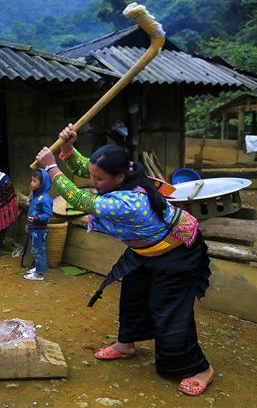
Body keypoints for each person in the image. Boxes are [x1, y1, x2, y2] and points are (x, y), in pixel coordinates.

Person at [34, 125, 214, 397]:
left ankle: (199, 368)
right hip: (147, 249)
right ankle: (126, 344)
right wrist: (68, 148)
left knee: (169, 310)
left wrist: (51, 167)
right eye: (93, 176)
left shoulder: (130, 201)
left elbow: (81, 199)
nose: (93, 181)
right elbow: (87, 168)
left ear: (119, 177)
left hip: (178, 252)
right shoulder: (125, 174)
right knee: (133, 295)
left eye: (99, 179)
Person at [24, 169, 53, 281]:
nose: (32, 183)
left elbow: (48, 214)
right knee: (35, 250)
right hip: (34, 228)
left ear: (43, 184)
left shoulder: (45, 199)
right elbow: (31, 211)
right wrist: (28, 224)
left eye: (34, 181)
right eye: (32, 180)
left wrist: (36, 218)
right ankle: (37, 267)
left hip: (40, 230)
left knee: (39, 251)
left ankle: (39, 274)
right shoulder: (35, 196)